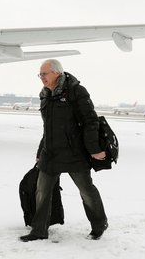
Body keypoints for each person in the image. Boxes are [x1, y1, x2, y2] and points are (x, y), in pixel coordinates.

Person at [19, 59, 108, 242]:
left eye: (44, 73)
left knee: (86, 190)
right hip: (50, 153)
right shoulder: (45, 94)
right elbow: (48, 127)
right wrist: (40, 151)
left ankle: (99, 224)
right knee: (41, 191)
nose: (41, 77)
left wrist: (93, 149)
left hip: (74, 153)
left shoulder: (76, 91)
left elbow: (90, 121)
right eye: (40, 74)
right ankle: (39, 230)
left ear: (57, 73)